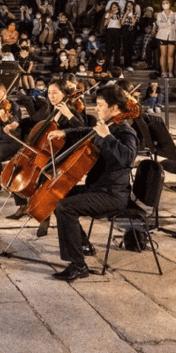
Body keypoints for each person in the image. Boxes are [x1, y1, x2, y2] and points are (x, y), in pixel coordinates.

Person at [48, 84, 138, 282]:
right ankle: (84, 245)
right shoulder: (109, 126)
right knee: (57, 197)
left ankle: (78, 266)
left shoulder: (125, 132)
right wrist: (65, 133)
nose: (96, 108)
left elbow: (128, 158)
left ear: (114, 108)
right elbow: (87, 131)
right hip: (97, 188)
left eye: (100, 105)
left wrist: (107, 137)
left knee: (66, 207)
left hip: (113, 195)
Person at [154, 0, 176, 78]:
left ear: (170, 4)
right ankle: (164, 72)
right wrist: (169, 24)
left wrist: (165, 25)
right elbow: (159, 24)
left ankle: (170, 72)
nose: (165, 4)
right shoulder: (159, 14)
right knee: (163, 54)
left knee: (170, 55)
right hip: (162, 36)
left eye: (167, 3)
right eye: (163, 3)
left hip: (172, 36)